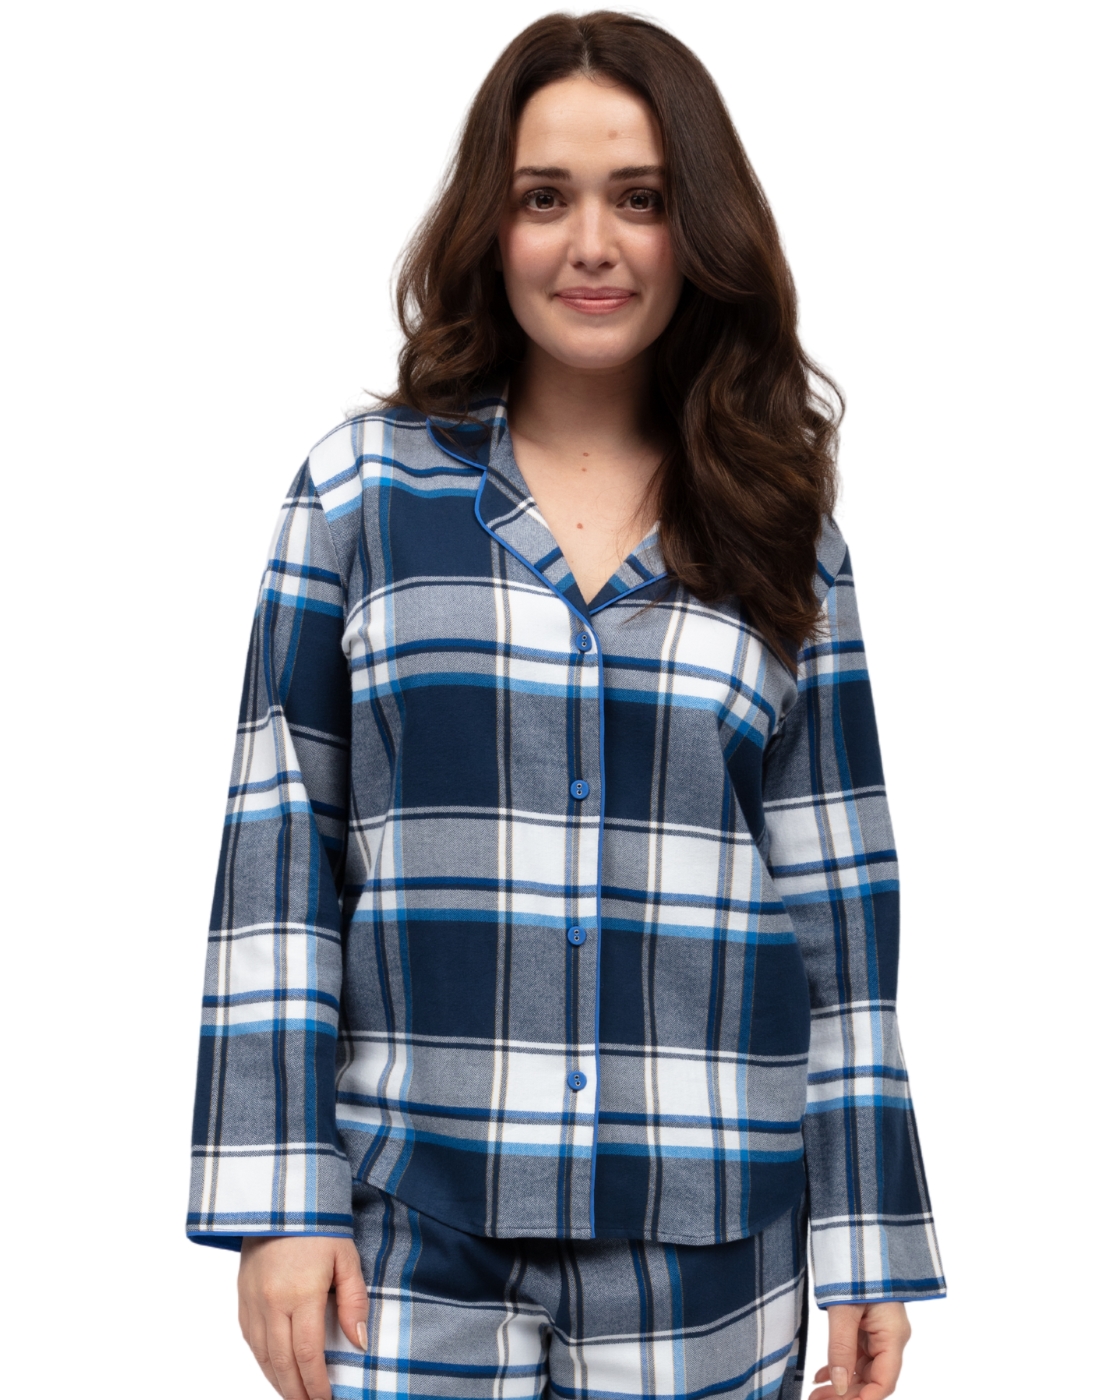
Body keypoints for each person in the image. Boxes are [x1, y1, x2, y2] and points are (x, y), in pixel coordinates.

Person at [188, 12, 946, 1400]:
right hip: (408, 1222)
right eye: (546, 198)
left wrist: (872, 1245)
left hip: (713, 1237)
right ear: (491, 225)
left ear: (698, 231)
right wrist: (279, 1197)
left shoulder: (784, 537)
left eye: (640, 199)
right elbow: (280, 858)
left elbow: (841, 918)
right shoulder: (360, 494)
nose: (592, 244)